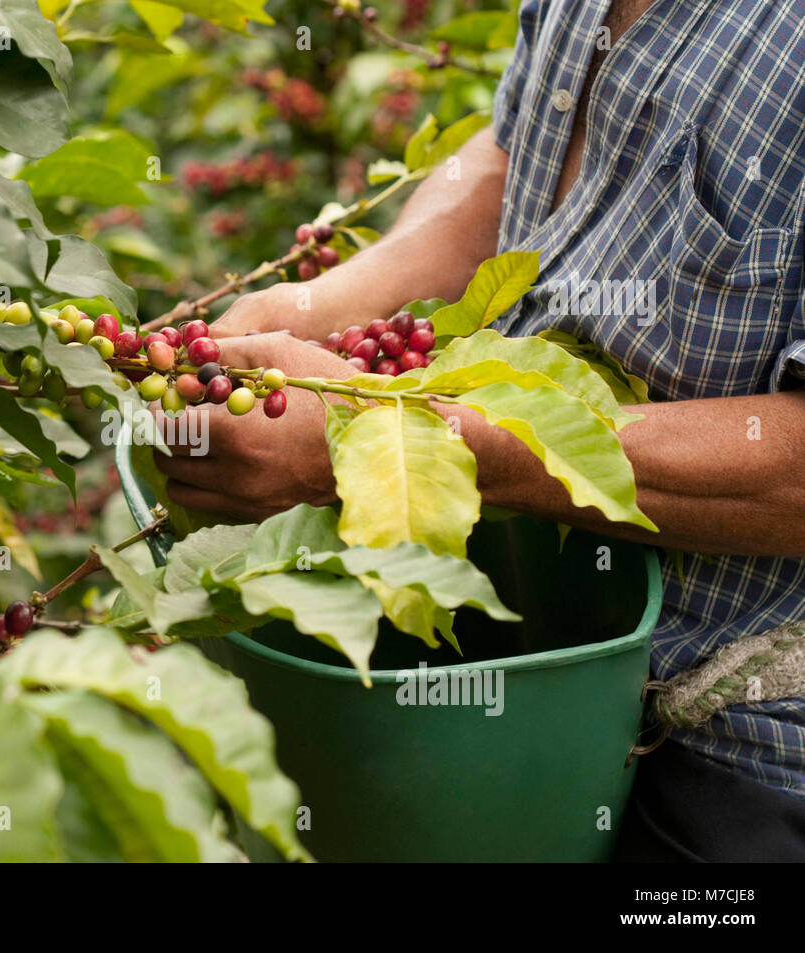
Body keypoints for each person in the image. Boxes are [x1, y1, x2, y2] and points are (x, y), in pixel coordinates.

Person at [153, 0, 805, 860]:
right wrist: (329, 303)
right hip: (517, 664)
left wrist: (391, 443)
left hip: (729, 753)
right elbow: (512, 158)